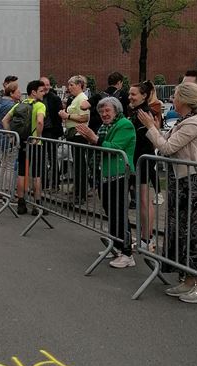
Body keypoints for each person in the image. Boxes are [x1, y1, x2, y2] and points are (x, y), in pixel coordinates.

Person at [138, 82, 197, 303]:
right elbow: (168, 143)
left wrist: (151, 126)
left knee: (193, 231)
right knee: (180, 230)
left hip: (192, 183)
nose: (173, 97)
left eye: (176, 95)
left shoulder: (194, 124)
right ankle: (189, 280)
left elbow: (167, 148)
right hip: (180, 182)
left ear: (185, 100)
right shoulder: (184, 121)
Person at [75, 97, 136, 269]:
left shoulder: (124, 124)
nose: (104, 114)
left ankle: (127, 253)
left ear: (117, 110)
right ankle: (116, 245)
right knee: (111, 210)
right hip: (105, 173)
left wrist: (94, 138)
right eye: (101, 111)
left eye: (107, 110)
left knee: (119, 213)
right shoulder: (106, 126)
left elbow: (115, 147)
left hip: (119, 174)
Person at [3, 79, 47, 216]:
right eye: (41, 91)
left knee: (22, 172)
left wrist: (12, 137)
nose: (43, 93)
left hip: (22, 142)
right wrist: (38, 137)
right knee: (37, 175)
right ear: (33, 92)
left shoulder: (19, 105)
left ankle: (21, 204)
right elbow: (40, 121)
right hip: (35, 143)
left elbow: (5, 120)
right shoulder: (40, 105)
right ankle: (37, 205)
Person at [128, 81, 158, 250]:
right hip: (137, 160)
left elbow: (149, 139)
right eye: (130, 94)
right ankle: (143, 237)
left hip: (143, 161)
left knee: (145, 200)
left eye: (134, 94)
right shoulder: (136, 112)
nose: (130, 97)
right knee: (142, 200)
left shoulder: (145, 113)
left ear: (144, 96)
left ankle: (148, 239)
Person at [58, 75, 90, 204]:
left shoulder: (83, 98)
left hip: (79, 135)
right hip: (74, 134)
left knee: (80, 165)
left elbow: (84, 117)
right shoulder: (76, 98)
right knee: (77, 165)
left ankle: (81, 194)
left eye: (72, 85)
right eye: (69, 85)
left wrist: (67, 115)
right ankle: (78, 192)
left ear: (79, 85)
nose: (69, 87)